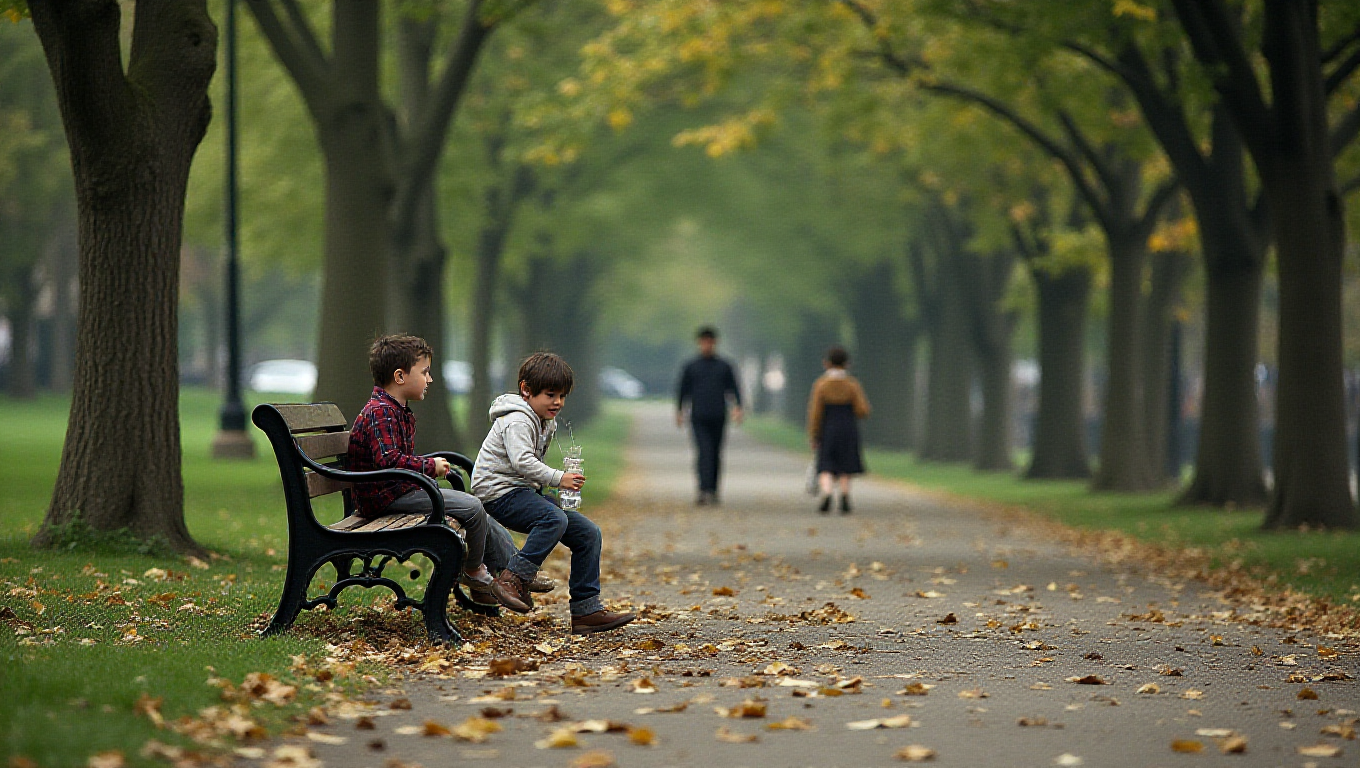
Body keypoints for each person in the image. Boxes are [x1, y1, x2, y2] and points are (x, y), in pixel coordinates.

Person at [348, 334, 533, 612]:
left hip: (397, 492)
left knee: (478, 508)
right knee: (472, 507)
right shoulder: (382, 412)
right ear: (400, 376)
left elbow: (394, 459)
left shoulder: (393, 409)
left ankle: (515, 573)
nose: (430, 379)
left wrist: (428, 463)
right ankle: (474, 573)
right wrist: (428, 466)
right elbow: (388, 461)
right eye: (424, 372)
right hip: (384, 500)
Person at [471, 352, 636, 635]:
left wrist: (551, 483)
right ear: (526, 390)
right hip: (498, 492)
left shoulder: (545, 420)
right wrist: (560, 479)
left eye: (562, 396)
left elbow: (529, 468)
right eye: (550, 395)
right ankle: (512, 578)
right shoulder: (518, 421)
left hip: (522, 491)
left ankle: (586, 611)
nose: (557, 402)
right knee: (553, 519)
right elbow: (522, 461)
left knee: (587, 533)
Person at [676, 327, 743, 505]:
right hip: (699, 416)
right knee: (703, 452)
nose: (707, 345)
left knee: (715, 453)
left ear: (714, 343)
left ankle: (713, 489)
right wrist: (679, 411)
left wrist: (738, 407)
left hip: (718, 415)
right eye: (704, 342)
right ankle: (703, 489)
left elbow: (734, 388)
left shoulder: (724, 366)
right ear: (699, 343)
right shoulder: (691, 367)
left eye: (709, 342)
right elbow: (682, 390)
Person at [806, 345, 871, 514]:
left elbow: (815, 413)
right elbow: (863, 410)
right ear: (847, 364)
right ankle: (844, 494)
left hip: (828, 427)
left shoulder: (821, 385)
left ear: (826, 363)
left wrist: (814, 435)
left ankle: (827, 493)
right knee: (845, 464)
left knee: (826, 464)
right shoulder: (852, 385)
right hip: (848, 427)